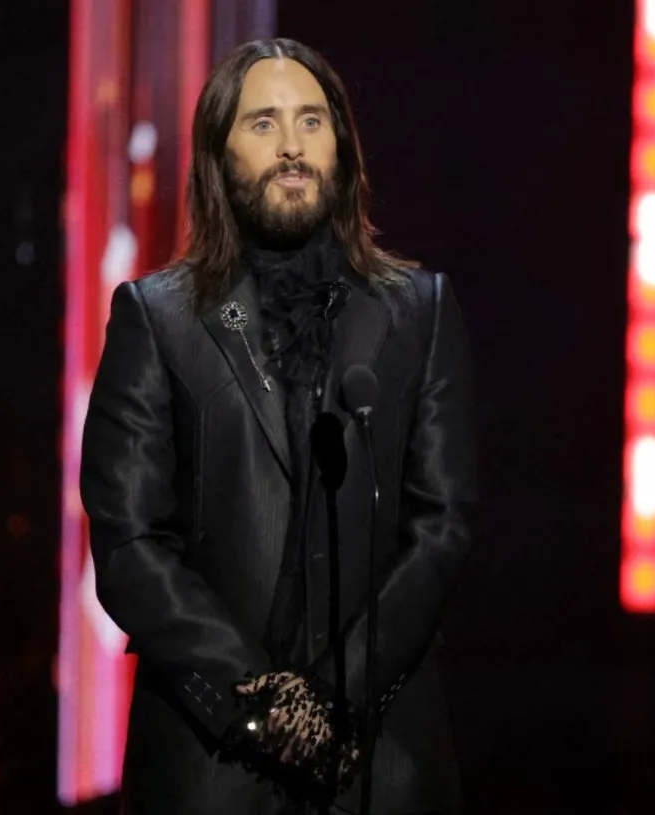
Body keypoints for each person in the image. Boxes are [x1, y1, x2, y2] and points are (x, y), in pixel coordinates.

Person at [80, 37, 476, 815]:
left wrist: (334, 695)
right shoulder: (157, 319)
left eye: (312, 121)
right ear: (218, 153)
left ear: (343, 147)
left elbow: (444, 525)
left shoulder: (420, 312)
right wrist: (260, 702)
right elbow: (128, 541)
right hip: (208, 756)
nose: (292, 146)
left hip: (381, 759)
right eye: (263, 123)